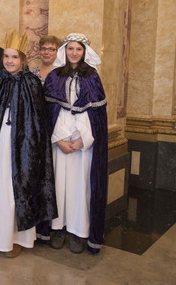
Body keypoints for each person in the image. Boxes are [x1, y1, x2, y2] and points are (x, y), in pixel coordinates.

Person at [0, 30, 57, 258]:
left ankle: (16, 239)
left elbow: (37, 120)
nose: (9, 61)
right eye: (6, 57)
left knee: (17, 190)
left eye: (14, 57)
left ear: (23, 60)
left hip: (21, 147)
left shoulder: (31, 83)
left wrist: (28, 144)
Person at [43, 33, 108, 254]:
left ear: (84, 52)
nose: (73, 53)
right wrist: (58, 139)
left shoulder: (92, 77)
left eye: (78, 49)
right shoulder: (54, 76)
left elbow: (97, 114)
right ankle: (59, 228)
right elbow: (50, 112)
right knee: (59, 185)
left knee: (80, 188)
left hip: (82, 144)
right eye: (70, 49)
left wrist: (83, 139)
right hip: (59, 142)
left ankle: (77, 232)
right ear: (65, 51)